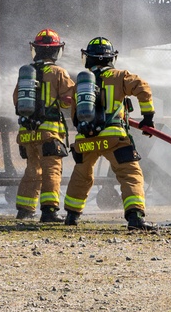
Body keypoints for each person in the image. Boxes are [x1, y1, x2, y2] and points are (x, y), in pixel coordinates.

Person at [62, 37, 155, 229]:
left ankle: (71, 216)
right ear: (111, 58)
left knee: (81, 175)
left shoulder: (80, 84)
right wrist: (148, 116)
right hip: (113, 138)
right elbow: (142, 87)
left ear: (88, 59)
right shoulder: (120, 76)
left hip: (85, 140)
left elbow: (74, 115)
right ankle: (135, 217)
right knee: (130, 174)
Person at [12, 29, 76, 222]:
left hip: (27, 134)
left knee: (33, 170)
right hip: (49, 133)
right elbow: (69, 100)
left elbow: (16, 99)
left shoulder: (26, 75)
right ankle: (49, 211)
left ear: (36, 50)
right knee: (51, 171)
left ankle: (25, 209)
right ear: (56, 51)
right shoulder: (58, 72)